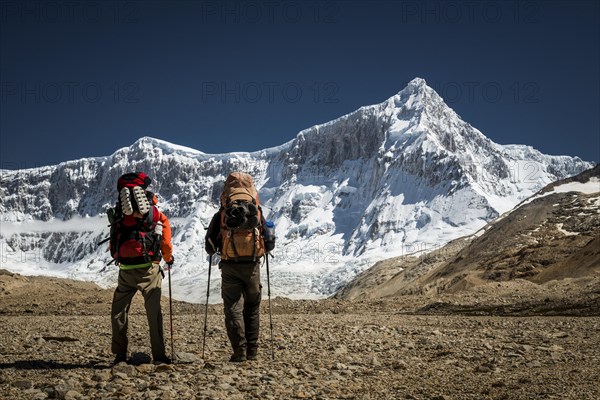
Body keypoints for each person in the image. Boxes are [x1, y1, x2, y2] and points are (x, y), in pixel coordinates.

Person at [205, 172, 275, 362]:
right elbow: (269, 242)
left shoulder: (222, 213)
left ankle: (240, 352)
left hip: (230, 267)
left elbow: (209, 247)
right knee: (252, 308)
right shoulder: (257, 212)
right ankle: (252, 351)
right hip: (252, 267)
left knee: (233, 309)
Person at [109, 173, 174, 365]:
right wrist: (168, 259)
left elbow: (114, 243)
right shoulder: (156, 214)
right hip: (149, 269)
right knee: (153, 314)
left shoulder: (120, 213)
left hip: (126, 269)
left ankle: (120, 355)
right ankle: (159, 357)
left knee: (119, 312)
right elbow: (166, 244)